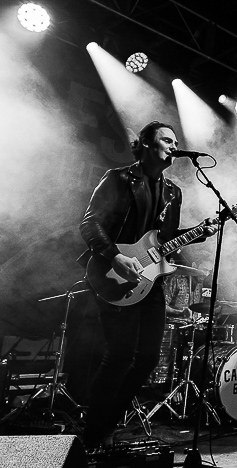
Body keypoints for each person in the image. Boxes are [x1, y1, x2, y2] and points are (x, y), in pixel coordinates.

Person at [78, 120, 217, 448]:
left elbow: (165, 241)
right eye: (166, 140)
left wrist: (198, 233)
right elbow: (90, 222)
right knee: (120, 354)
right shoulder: (119, 179)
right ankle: (92, 433)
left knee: (148, 358)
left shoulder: (173, 192)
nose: (173, 145)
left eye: (175, 141)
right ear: (145, 145)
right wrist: (114, 256)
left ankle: (106, 426)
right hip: (114, 273)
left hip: (148, 281)